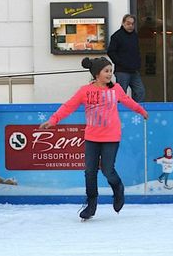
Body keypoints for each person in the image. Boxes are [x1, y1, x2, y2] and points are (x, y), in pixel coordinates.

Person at [40, 57, 148, 220]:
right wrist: (53, 120)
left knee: (107, 170)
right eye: (106, 71)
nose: (110, 74)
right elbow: (69, 106)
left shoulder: (116, 89)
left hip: (111, 136)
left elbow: (128, 101)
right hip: (92, 137)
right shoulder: (85, 91)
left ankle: (118, 188)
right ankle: (91, 205)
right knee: (90, 171)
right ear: (97, 74)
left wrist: (141, 111)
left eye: (111, 71)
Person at [108, 13, 145, 103]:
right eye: (128, 23)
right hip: (122, 71)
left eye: (132, 24)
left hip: (134, 70)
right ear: (123, 23)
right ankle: (119, 110)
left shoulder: (135, 36)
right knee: (121, 94)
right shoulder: (116, 36)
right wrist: (120, 63)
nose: (130, 26)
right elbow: (111, 52)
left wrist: (138, 63)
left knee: (140, 91)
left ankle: (136, 109)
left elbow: (137, 51)